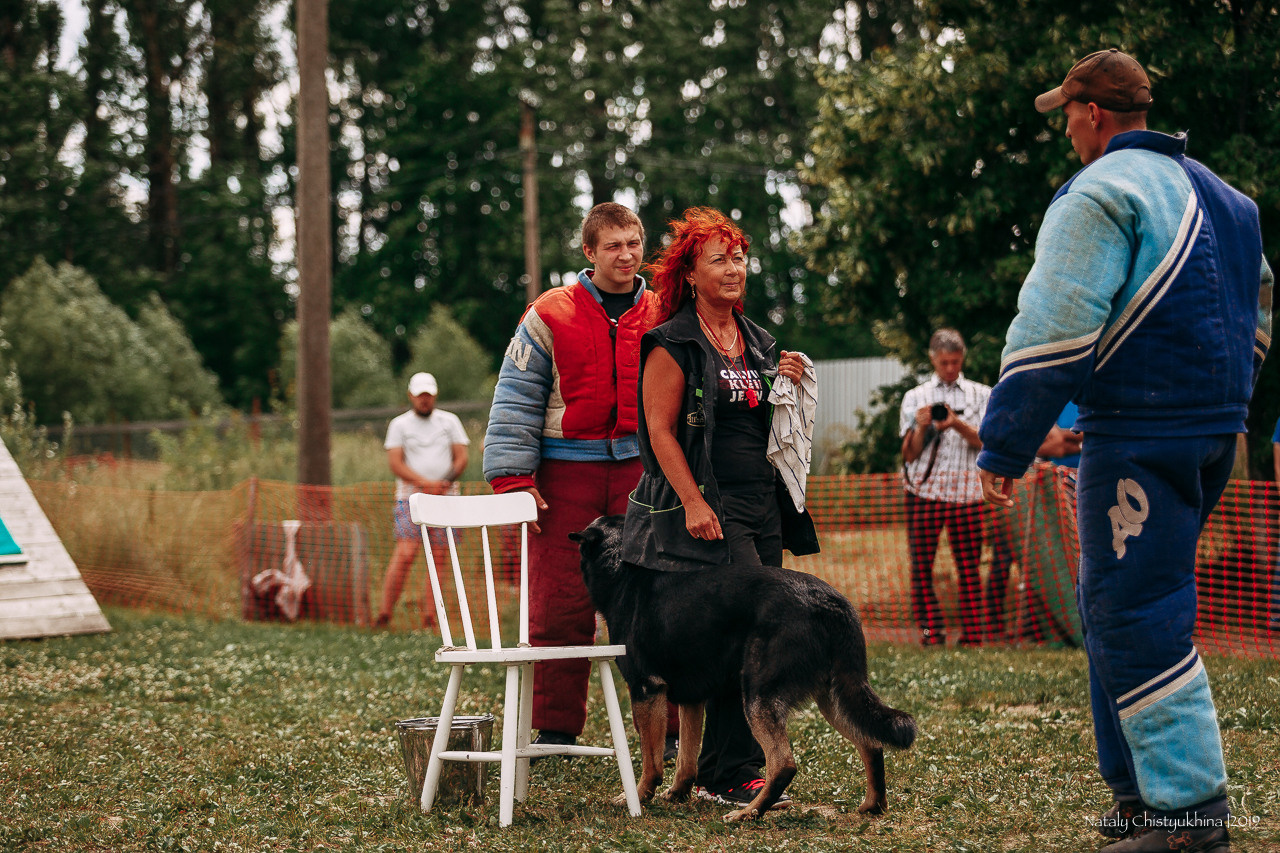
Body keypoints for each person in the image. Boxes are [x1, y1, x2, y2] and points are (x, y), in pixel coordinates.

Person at [977, 49, 1272, 852]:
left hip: (1139, 435)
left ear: (1092, 114)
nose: (1066, 131)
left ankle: (1189, 813)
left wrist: (1003, 443)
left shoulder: (1100, 190)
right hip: (1215, 433)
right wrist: (1227, 398)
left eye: (1066, 116)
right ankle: (1138, 797)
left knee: (1134, 611)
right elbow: (1263, 302)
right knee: (1114, 603)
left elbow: (1051, 328)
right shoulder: (1229, 199)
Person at [621, 206, 819, 811]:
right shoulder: (672, 342)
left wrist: (783, 380)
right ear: (690, 273)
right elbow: (658, 432)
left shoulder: (758, 339)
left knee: (759, 629)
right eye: (719, 259)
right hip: (713, 506)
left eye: (739, 257)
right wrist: (693, 502)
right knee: (744, 628)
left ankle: (731, 766)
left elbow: (763, 420)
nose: (734, 269)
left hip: (763, 505)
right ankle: (729, 771)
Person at [483, 202, 663, 755]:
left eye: (633, 243)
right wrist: (514, 479)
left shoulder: (663, 310)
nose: (626, 255)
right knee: (559, 601)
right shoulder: (548, 312)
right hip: (565, 475)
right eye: (613, 245)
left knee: (660, 600)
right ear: (589, 252)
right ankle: (556, 727)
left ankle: (673, 730)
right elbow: (516, 397)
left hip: (643, 473)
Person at [899, 328, 990, 646]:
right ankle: (930, 632)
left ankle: (972, 636)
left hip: (967, 495)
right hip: (925, 494)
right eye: (944, 363)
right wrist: (922, 426)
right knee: (921, 566)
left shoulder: (982, 394)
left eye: (955, 362)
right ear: (933, 360)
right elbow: (909, 455)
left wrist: (956, 423)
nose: (950, 368)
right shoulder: (915, 397)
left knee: (968, 567)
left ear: (962, 358)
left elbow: (987, 442)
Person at [374, 372, 470, 629]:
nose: (424, 400)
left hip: (446, 498)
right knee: (406, 553)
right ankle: (384, 613)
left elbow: (461, 457)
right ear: (411, 396)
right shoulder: (399, 425)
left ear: (434, 395)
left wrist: (445, 482)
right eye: (419, 396)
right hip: (410, 499)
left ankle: (431, 618)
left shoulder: (450, 422)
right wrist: (425, 484)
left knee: (439, 557)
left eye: (428, 395)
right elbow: (396, 462)